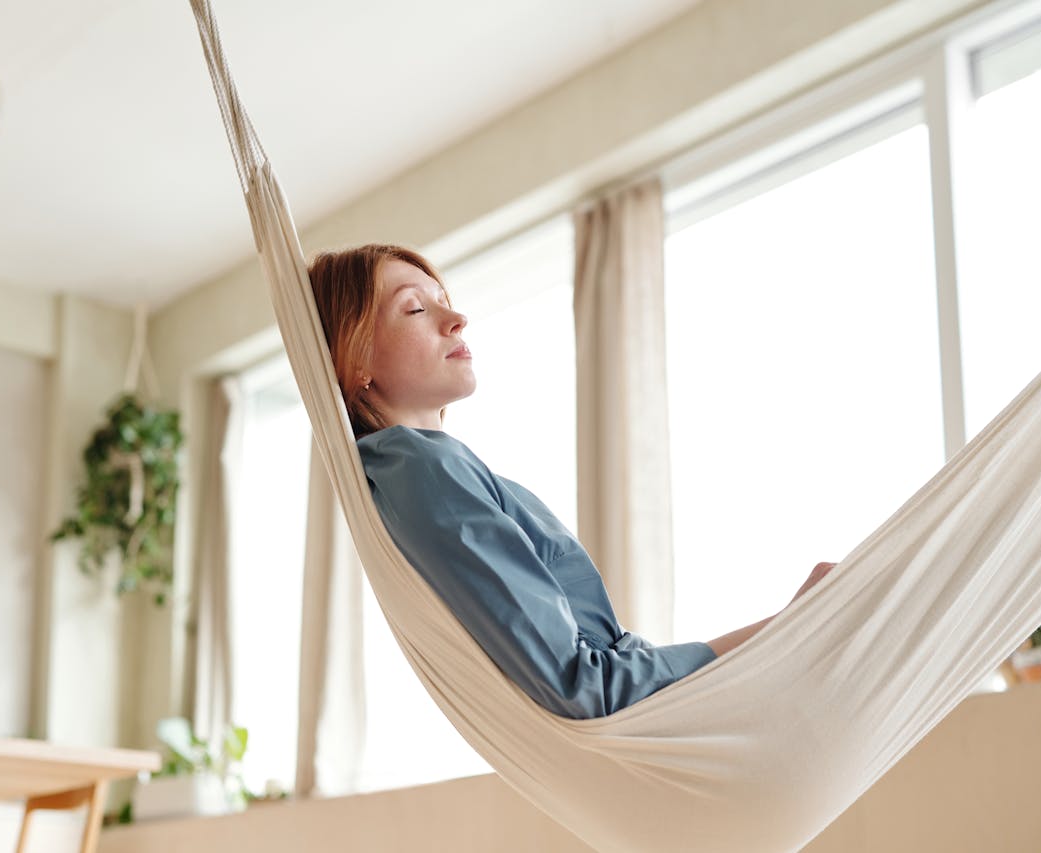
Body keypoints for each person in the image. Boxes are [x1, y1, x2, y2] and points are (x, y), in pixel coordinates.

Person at [308, 243, 836, 719]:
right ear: (355, 361)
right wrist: (782, 631)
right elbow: (583, 685)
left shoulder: (418, 470)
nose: (457, 318)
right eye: (417, 308)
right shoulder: (424, 471)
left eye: (444, 299)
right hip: (642, 720)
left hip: (654, 705)